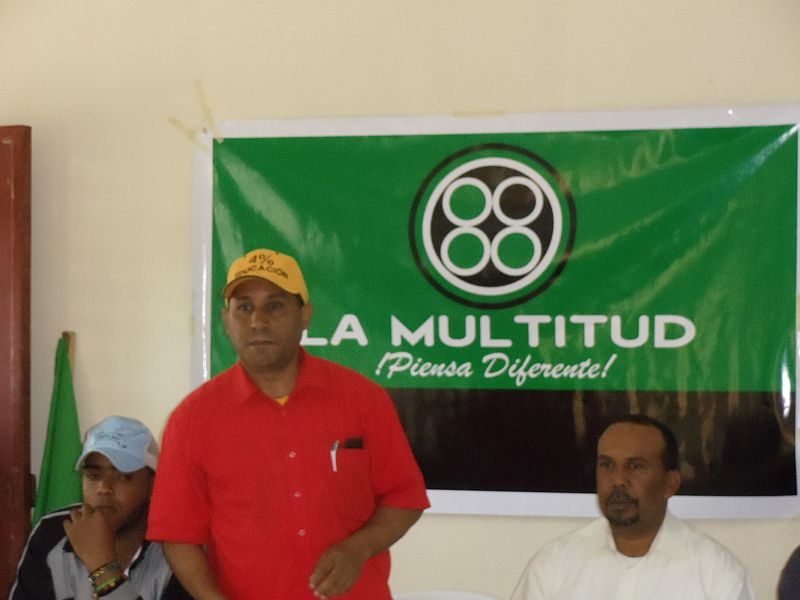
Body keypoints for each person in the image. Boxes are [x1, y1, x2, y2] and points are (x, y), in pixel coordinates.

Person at [146, 248, 430, 600]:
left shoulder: (363, 399)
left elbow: (405, 498)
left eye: (275, 305)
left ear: (305, 315)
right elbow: (178, 536)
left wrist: (358, 549)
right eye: (244, 307)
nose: (257, 321)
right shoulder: (191, 419)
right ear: (226, 319)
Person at [510, 414, 755, 600]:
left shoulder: (716, 574)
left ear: (670, 483)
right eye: (607, 465)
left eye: (635, 466)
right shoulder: (555, 564)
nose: (617, 480)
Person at [9, 415, 190, 600]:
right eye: (94, 476)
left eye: (123, 477)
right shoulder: (54, 532)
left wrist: (103, 569)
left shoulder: (180, 546)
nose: (103, 488)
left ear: (153, 485)